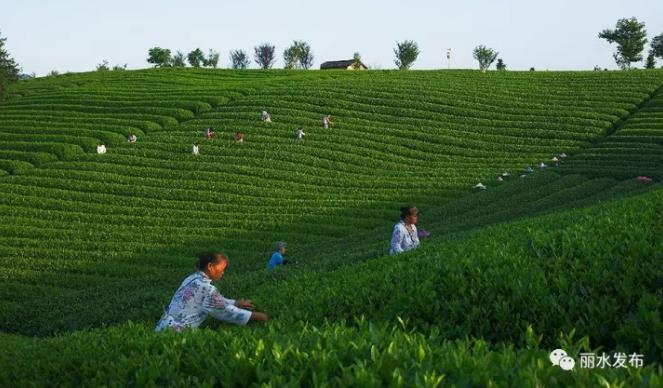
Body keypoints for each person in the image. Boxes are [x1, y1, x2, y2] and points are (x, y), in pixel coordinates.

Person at [156, 252, 268, 332]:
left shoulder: (192, 278)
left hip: (163, 326)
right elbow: (225, 311)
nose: (223, 273)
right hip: (178, 332)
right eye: (222, 268)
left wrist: (236, 303)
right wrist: (256, 316)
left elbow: (215, 300)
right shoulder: (206, 288)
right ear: (210, 266)